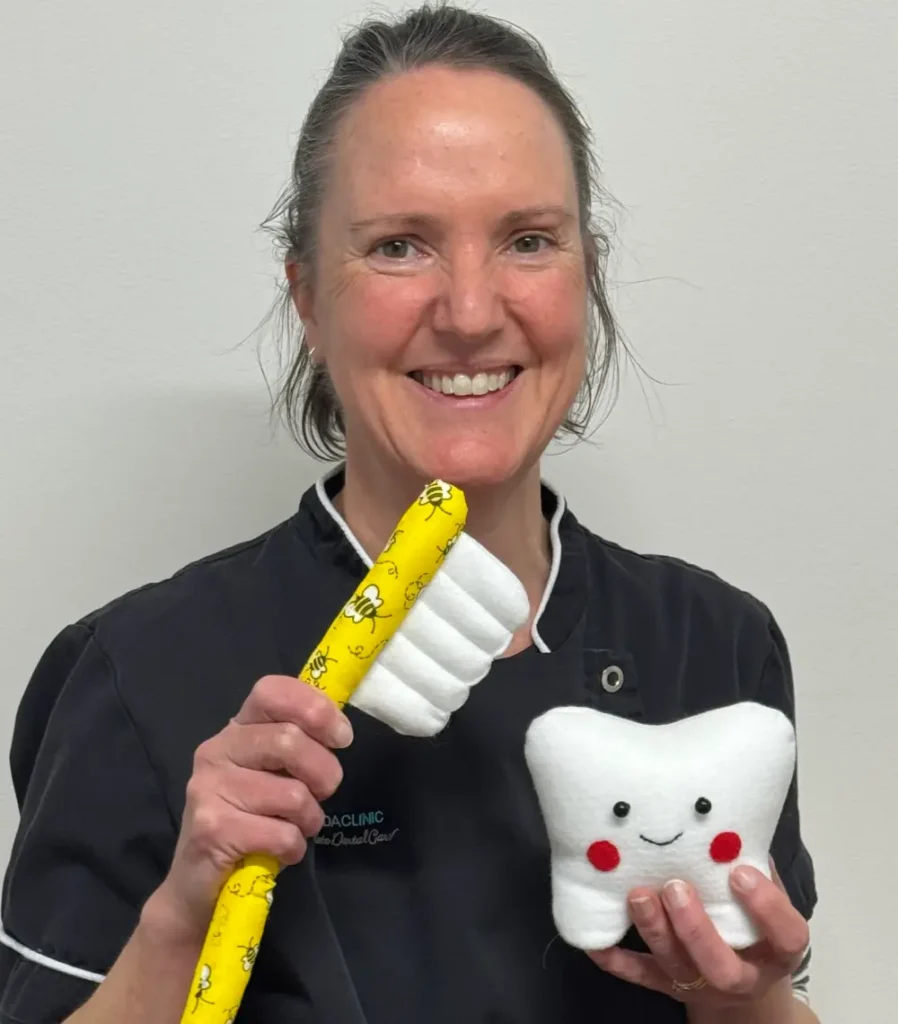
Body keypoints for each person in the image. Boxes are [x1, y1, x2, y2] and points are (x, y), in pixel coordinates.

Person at [0, 5, 819, 1023]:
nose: (471, 310)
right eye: (398, 246)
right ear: (306, 297)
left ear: (586, 274)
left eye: (527, 239)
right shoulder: (138, 674)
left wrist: (744, 997)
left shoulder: (712, 646)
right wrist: (185, 911)